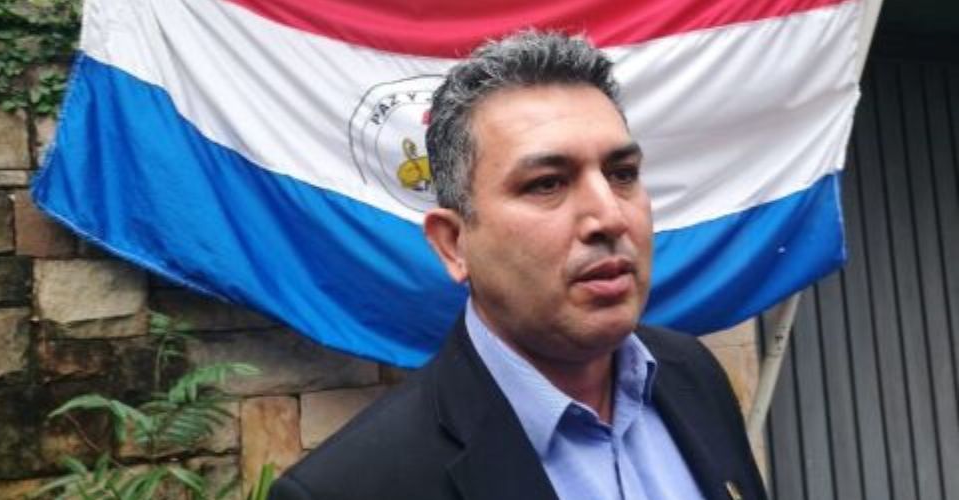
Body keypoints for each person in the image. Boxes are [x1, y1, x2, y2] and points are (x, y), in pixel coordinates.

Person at [270, 31, 766, 500]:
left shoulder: (691, 374)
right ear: (454, 244)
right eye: (547, 183)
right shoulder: (351, 487)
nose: (611, 217)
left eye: (622, 174)